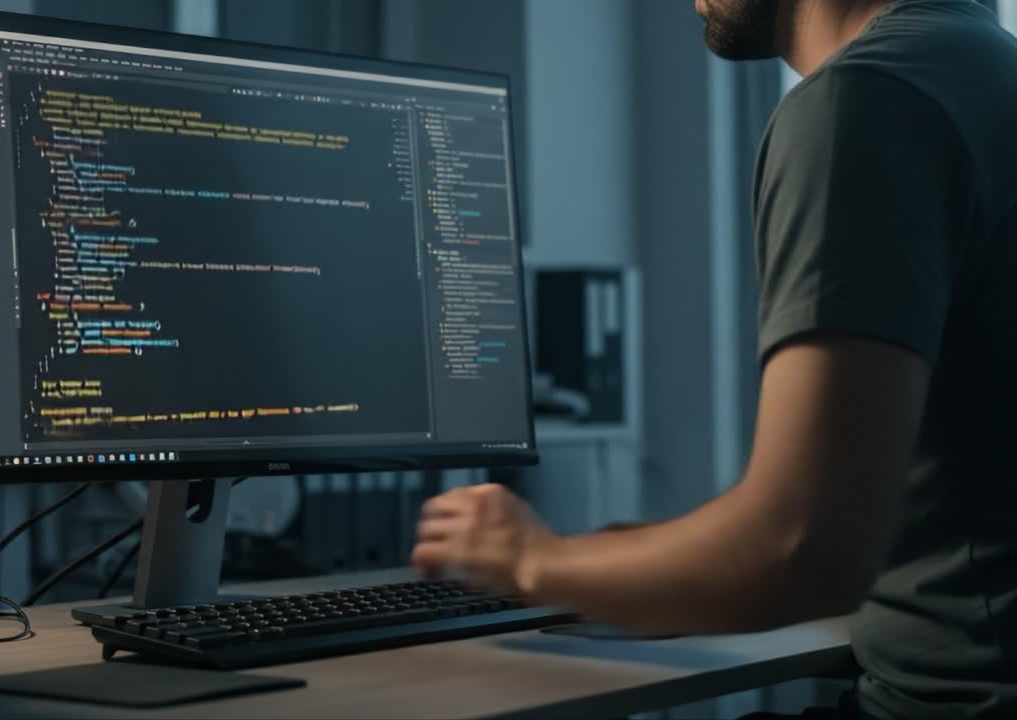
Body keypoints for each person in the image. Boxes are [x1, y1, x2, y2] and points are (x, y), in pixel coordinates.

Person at [410, 1, 1017, 717]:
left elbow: (802, 552)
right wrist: (637, 565)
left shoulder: (864, 101)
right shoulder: (983, 69)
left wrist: (532, 560)